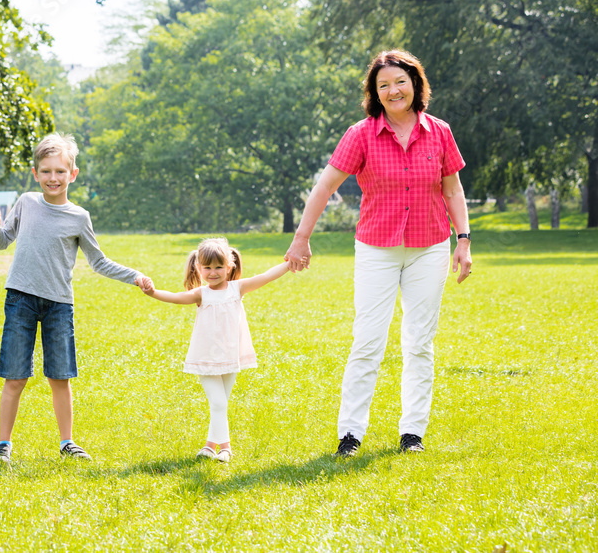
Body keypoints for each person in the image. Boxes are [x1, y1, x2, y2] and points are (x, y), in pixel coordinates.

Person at [285, 49, 473, 457]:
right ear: (374, 91)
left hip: (430, 247)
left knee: (419, 342)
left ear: (415, 84)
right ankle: (350, 434)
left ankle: (412, 433)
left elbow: (453, 189)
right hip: (377, 248)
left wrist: (464, 240)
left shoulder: (439, 131)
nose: (393, 90)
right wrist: (302, 237)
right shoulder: (361, 134)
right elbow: (324, 187)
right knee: (368, 341)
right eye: (383, 84)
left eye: (400, 82)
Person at [0, 133, 153, 463]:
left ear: (72, 174)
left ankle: (67, 443)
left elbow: (98, 261)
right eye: (46, 171)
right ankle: (3, 444)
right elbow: (3, 241)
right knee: (15, 376)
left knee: (60, 376)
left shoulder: (79, 217)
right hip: (20, 298)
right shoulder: (26, 203)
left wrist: (133, 276)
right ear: (35, 174)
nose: (53, 178)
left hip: (59, 305)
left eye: (60, 171)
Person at [143, 237, 290, 463]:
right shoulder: (201, 294)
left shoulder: (237, 288)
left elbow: (266, 276)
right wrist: (152, 292)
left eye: (219, 267)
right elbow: (174, 298)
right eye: (208, 267)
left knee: (220, 403)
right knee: (218, 403)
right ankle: (226, 448)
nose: (213, 272)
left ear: (229, 266)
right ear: (198, 268)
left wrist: (291, 263)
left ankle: (210, 446)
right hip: (206, 357)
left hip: (231, 356)